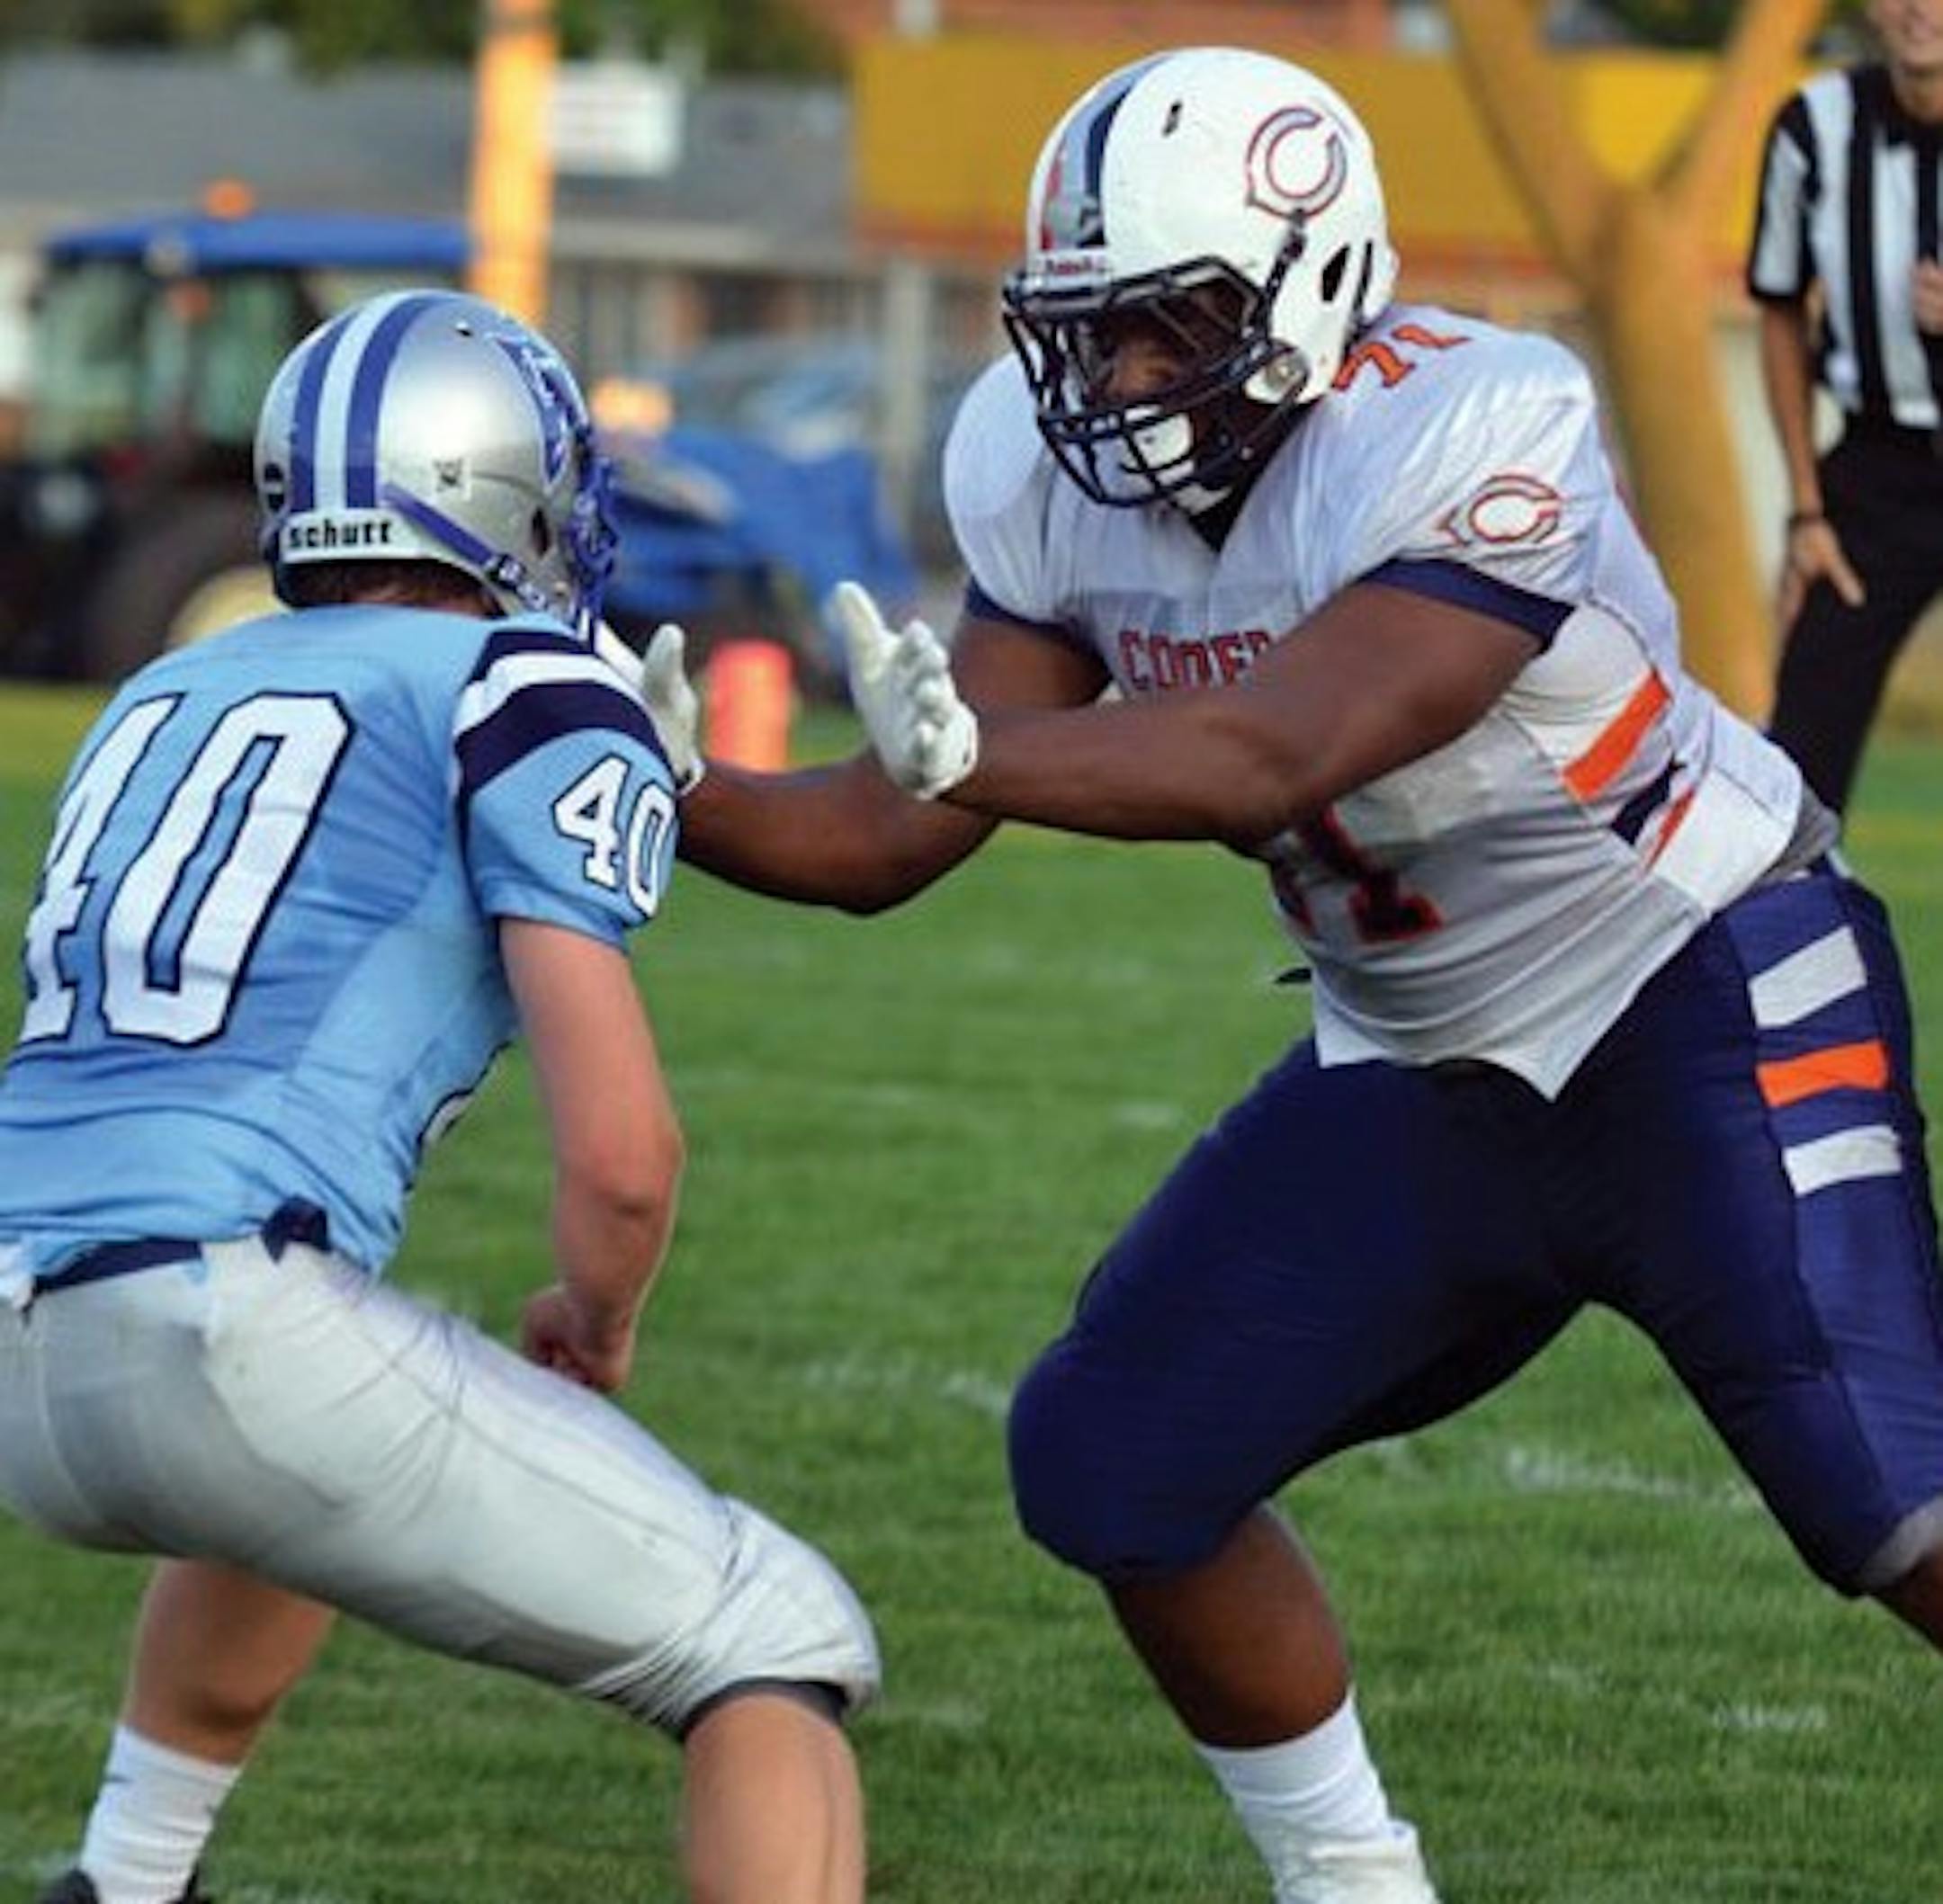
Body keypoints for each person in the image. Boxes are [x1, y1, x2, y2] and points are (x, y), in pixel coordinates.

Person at [640, 46, 1943, 1904]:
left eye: (1166, 325)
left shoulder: (1475, 421)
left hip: (1691, 986)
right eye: (1088, 332)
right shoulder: (1045, 476)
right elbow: (887, 832)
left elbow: (1278, 749)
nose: (1118, 381)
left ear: (1313, 283)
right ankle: (1353, 1882)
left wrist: (976, 754)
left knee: (1890, 1503)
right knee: (1116, 1454)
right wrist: (665, 783)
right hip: (1420, 1061)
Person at [0, 288, 878, 1904]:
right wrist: (598, 1320)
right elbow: (622, 1157)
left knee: (297, 1482)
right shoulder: (521, 680)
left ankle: (125, 1878)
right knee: (778, 1638)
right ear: (506, 490)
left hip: (23, 1325)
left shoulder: (163, 688)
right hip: (216, 1306)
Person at [1749, 0, 1943, 814]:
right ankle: (1789, 897)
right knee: (1796, 765)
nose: (1919, 7)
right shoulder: (1815, 127)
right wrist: (1806, 511)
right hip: (1876, 472)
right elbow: (1779, 307)